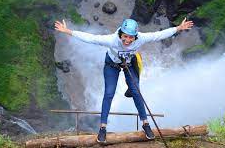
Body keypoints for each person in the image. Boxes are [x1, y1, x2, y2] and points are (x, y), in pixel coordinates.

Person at [54, 18, 193, 143]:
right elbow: (91, 38)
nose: (127, 40)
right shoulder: (111, 40)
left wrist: (178, 28)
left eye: (131, 38)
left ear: (135, 37)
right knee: (109, 94)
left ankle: (145, 124)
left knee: (136, 92)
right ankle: (102, 128)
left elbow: (157, 35)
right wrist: (68, 31)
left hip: (129, 64)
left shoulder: (141, 38)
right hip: (112, 65)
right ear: (120, 34)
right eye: (125, 37)